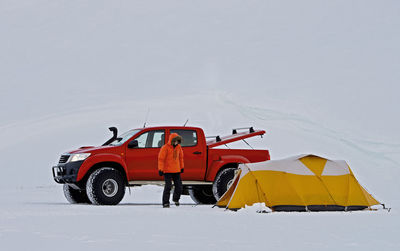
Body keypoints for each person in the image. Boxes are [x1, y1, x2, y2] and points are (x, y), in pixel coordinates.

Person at [158, 133, 184, 208]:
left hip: (177, 170)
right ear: (172, 140)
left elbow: (181, 158)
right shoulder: (165, 147)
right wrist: (160, 169)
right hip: (167, 171)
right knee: (168, 187)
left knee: (179, 186)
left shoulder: (179, 147)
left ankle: (176, 199)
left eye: (178, 141)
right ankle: (165, 203)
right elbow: (161, 159)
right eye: (176, 141)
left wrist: (182, 167)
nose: (177, 142)